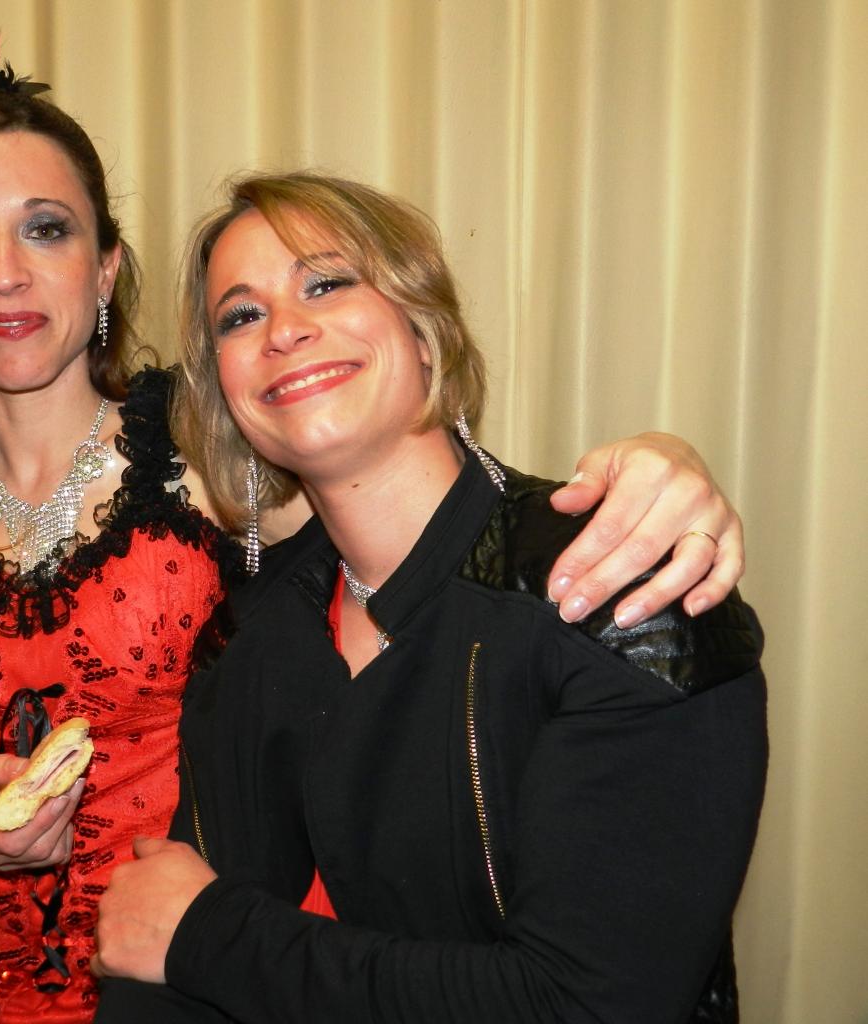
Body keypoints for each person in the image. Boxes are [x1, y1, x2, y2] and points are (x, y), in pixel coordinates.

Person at [0, 35, 751, 1024]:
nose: (5, 273)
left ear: (105, 270)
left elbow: (432, 495)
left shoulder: (207, 469)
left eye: (45, 228)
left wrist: (663, 465)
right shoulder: (270, 625)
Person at [90, 172, 768, 1024]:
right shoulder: (251, 634)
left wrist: (212, 937)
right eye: (241, 315)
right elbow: (160, 965)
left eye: (325, 283)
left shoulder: (624, 586)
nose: (284, 329)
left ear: (422, 328)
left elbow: (587, 1005)